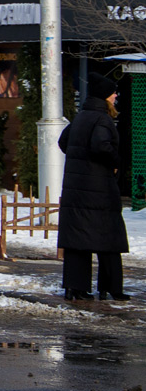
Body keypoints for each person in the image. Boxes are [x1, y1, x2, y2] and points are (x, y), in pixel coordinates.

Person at [57, 72, 131, 301]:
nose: (116, 96)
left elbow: (63, 142)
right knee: (109, 237)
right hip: (99, 190)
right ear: (105, 97)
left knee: (77, 241)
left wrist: (80, 161)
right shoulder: (102, 119)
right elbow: (101, 146)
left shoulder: (81, 117)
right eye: (113, 93)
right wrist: (116, 163)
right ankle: (111, 288)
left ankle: (74, 287)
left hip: (76, 189)